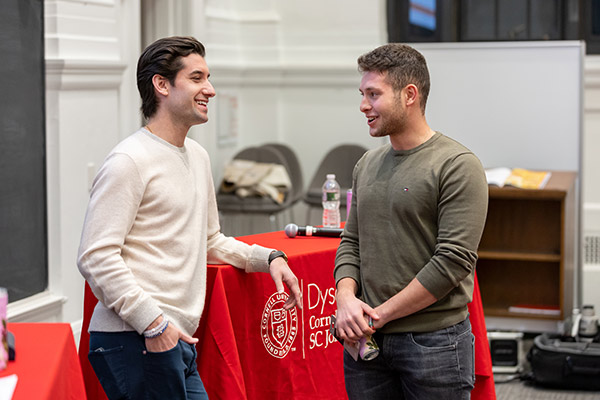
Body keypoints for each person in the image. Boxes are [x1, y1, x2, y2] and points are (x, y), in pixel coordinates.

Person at [77, 36, 302, 400]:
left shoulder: (197, 156)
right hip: (135, 337)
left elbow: (210, 240)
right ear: (162, 85)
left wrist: (269, 258)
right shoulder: (128, 161)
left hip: (172, 337)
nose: (210, 89)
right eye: (197, 78)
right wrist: (153, 323)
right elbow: (95, 256)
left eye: (208, 78)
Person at [333, 43, 489, 399]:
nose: (363, 105)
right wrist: (345, 298)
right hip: (366, 344)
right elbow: (351, 242)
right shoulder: (366, 164)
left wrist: (379, 315)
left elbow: (452, 262)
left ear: (409, 95)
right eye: (362, 94)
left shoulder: (457, 165)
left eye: (373, 94)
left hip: (433, 344)